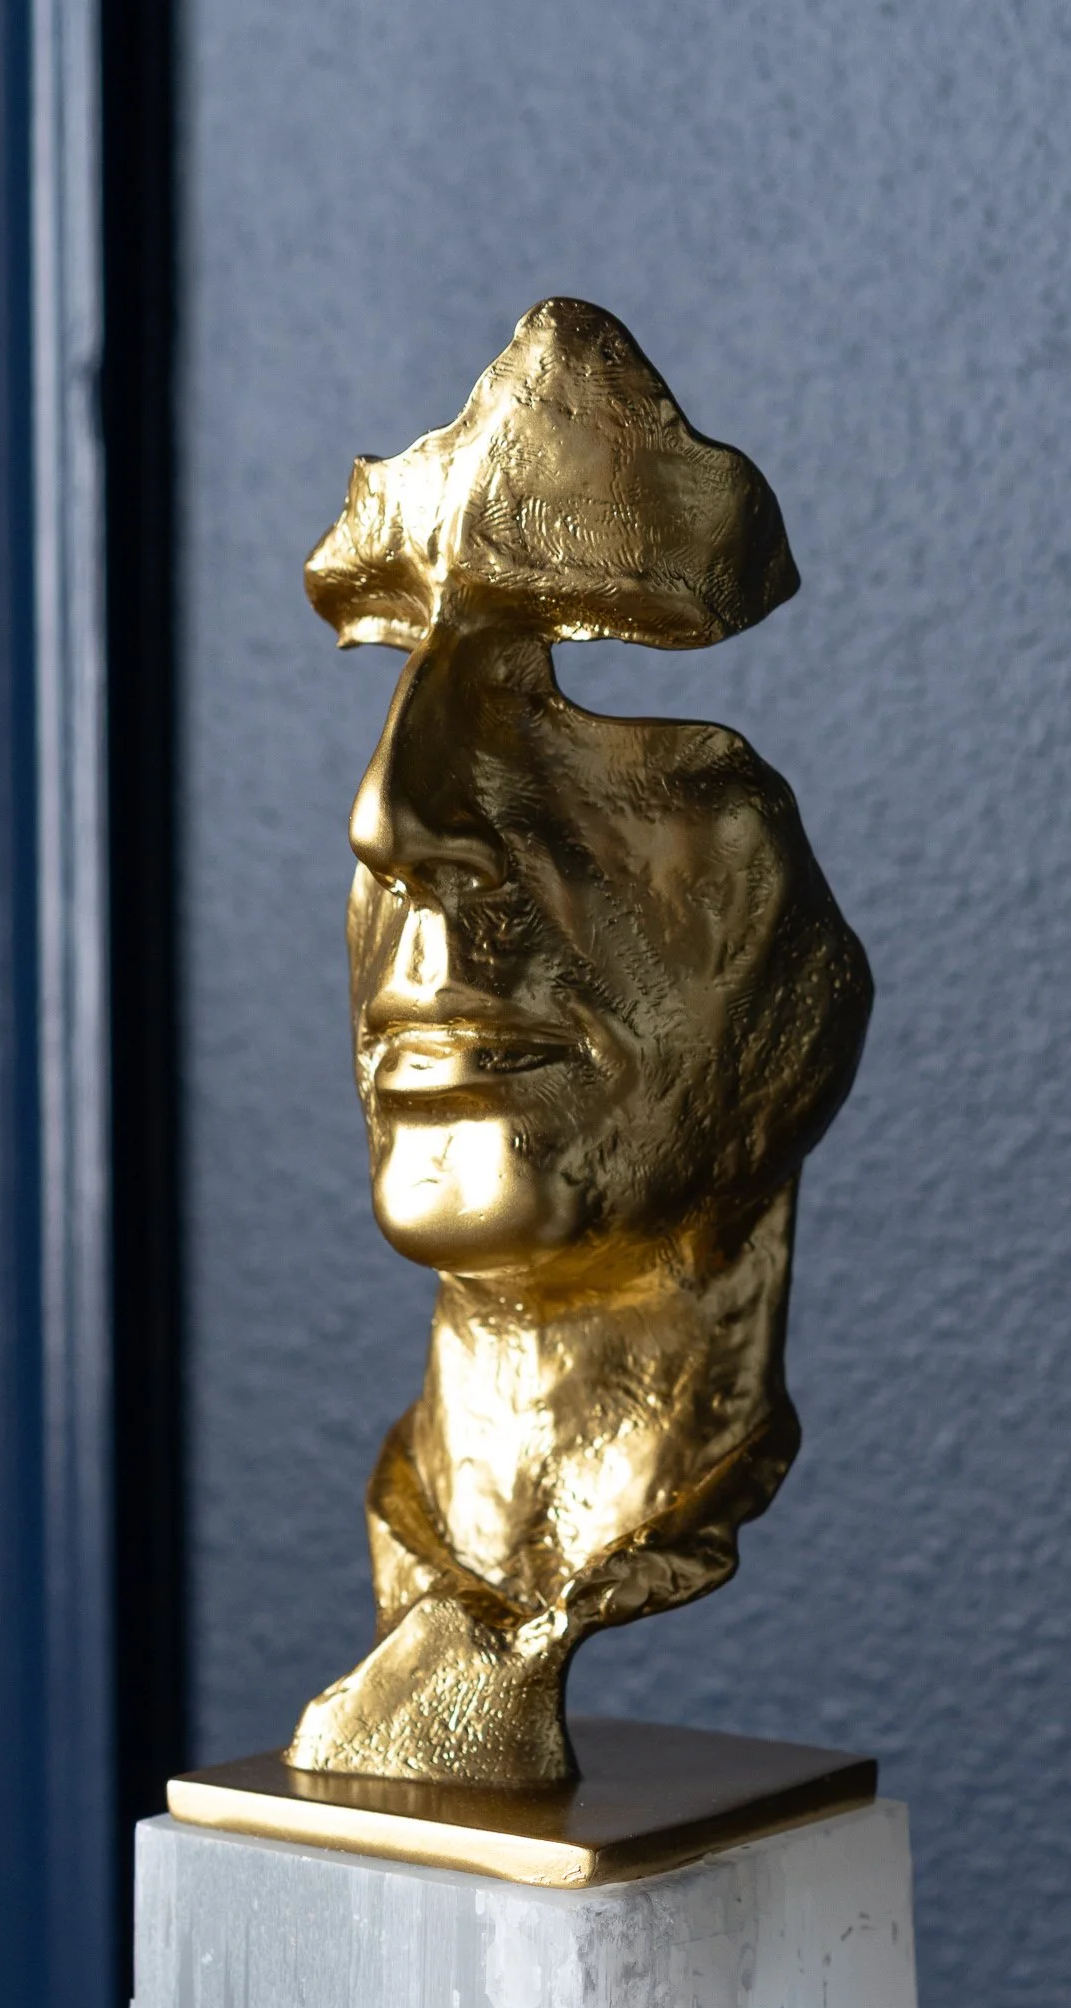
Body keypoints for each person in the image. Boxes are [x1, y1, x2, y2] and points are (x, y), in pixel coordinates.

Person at [288, 298, 873, 1788]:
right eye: (402, 658)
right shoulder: (411, 1520)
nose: (394, 825)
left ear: (806, 978)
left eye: (568, 684)